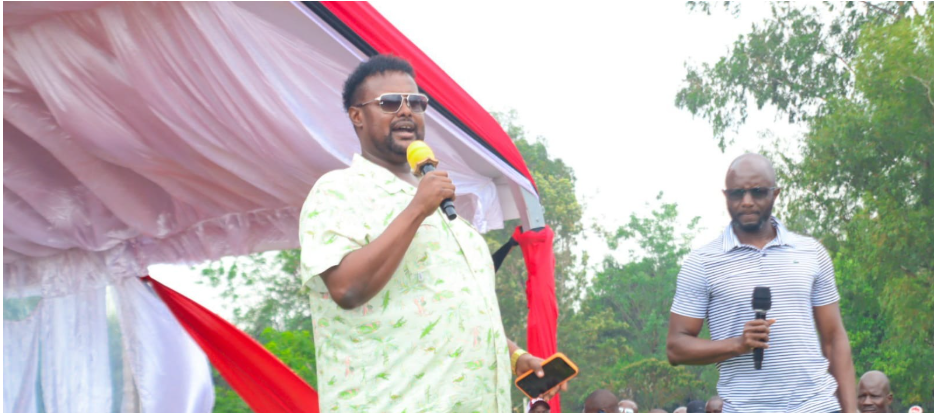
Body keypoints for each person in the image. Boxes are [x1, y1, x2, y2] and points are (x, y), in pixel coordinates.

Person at [299, 55, 563, 412]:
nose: (406, 111)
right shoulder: (339, 191)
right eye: (390, 103)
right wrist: (417, 209)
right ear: (357, 116)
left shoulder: (444, 209)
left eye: (416, 102)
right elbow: (346, 289)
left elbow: (451, 312)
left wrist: (515, 357)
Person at [666, 153, 856, 412]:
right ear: (726, 196)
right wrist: (738, 344)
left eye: (758, 192)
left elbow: (834, 339)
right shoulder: (702, 262)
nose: (747, 201)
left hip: (815, 405)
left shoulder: (811, 252)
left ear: (775, 194)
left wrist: (850, 410)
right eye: (737, 193)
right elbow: (676, 348)